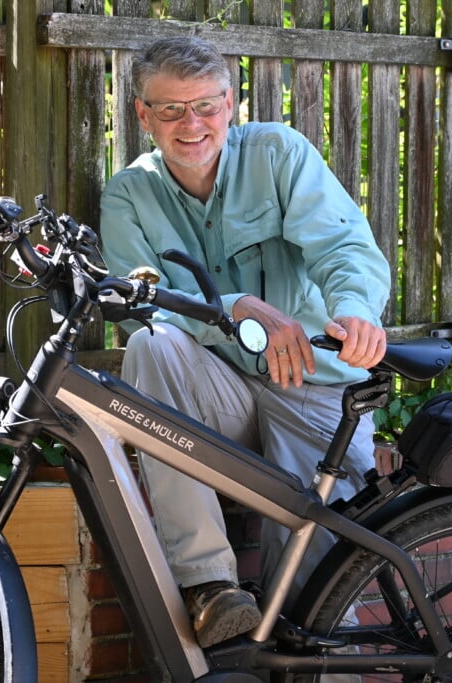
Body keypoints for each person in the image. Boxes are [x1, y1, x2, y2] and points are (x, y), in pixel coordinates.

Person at [99, 34, 390, 648]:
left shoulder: (278, 154)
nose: (192, 124)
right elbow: (138, 307)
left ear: (230, 103)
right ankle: (210, 585)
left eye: (205, 105)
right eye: (171, 109)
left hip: (314, 386)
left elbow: (343, 248)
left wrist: (356, 313)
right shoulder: (128, 194)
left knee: (318, 602)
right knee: (151, 345)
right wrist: (237, 308)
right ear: (142, 114)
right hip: (218, 396)